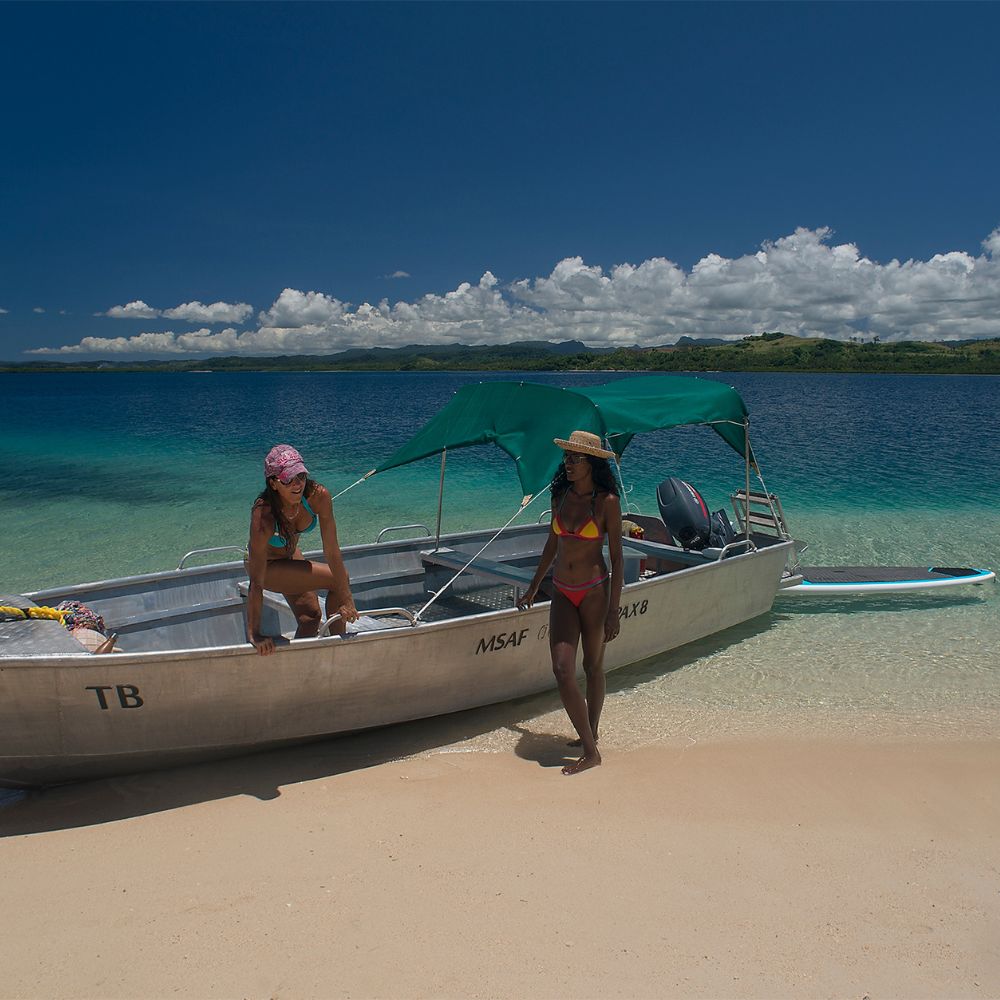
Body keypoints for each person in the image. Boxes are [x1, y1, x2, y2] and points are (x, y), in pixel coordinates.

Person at [517, 430, 623, 775]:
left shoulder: (606, 502)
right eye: (567, 458)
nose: (568, 463)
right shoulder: (560, 495)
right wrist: (534, 586)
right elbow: (552, 544)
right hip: (562, 590)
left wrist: (613, 611)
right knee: (563, 670)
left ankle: (589, 739)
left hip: (594, 592)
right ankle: (591, 750)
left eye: (575, 458)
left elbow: (619, 561)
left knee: (592, 667)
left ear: (591, 463)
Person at [245, 444, 358, 656]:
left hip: (288, 555)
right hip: (265, 568)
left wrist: (347, 599)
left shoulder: (318, 496)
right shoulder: (264, 515)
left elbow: (332, 551)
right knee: (337, 579)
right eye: (288, 479)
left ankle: (299, 664)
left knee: (310, 617)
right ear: (274, 483)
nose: (297, 484)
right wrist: (254, 633)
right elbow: (257, 581)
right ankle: (340, 651)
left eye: (301, 476)